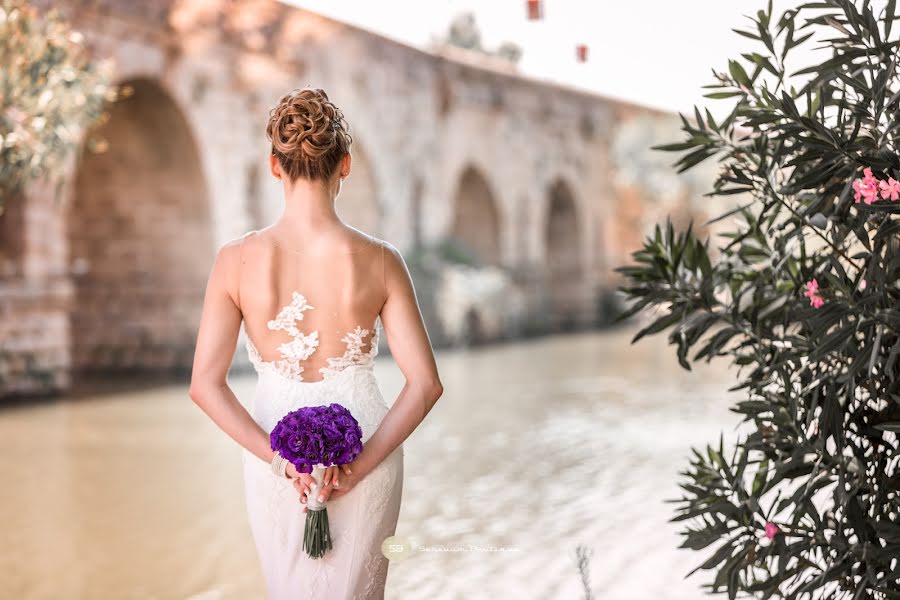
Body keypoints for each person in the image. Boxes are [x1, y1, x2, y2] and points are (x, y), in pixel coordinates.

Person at [188, 87, 444, 599]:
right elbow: (425, 385)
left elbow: (204, 387)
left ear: (274, 167)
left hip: (273, 460)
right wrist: (359, 467)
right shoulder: (382, 260)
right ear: (344, 165)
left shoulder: (234, 260)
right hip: (367, 449)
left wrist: (280, 460)